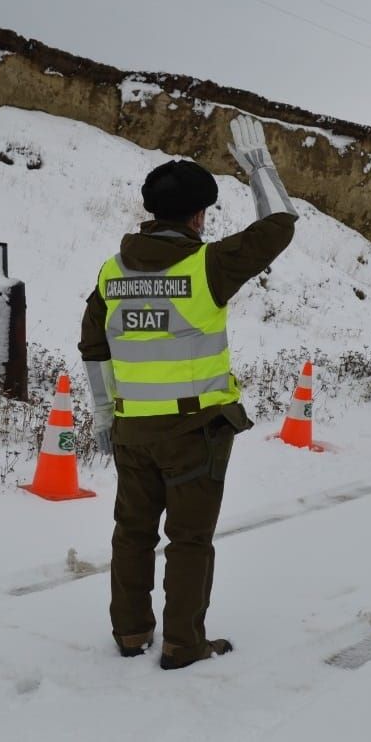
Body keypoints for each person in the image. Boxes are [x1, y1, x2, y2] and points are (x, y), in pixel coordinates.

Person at [78, 115, 298, 670]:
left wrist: (105, 419)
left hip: (132, 431)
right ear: (199, 215)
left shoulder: (112, 273)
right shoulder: (208, 267)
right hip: (194, 433)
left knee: (131, 534)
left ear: (152, 211)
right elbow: (279, 228)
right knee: (189, 541)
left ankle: (129, 634)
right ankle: (182, 643)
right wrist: (261, 170)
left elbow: (94, 348)